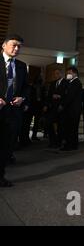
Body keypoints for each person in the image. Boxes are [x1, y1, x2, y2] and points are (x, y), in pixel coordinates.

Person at [0, 35, 28, 187]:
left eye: (19, 46)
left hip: (12, 112)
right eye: (14, 45)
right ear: (4, 45)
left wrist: (22, 98)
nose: (17, 48)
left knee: (6, 146)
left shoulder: (22, 66)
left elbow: (25, 87)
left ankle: (1, 176)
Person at [59, 67, 82, 151]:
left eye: (69, 73)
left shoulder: (76, 82)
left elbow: (70, 96)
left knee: (71, 128)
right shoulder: (71, 82)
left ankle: (70, 145)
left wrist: (63, 105)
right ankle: (73, 145)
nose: (67, 75)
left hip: (73, 110)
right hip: (72, 110)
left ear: (74, 73)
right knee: (72, 128)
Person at [44, 69, 67, 148]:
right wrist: (46, 105)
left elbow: (68, 96)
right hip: (52, 107)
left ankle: (59, 142)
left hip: (61, 108)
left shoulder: (66, 83)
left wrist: (60, 98)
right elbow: (49, 95)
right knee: (49, 123)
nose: (56, 75)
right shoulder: (53, 83)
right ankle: (52, 141)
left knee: (60, 126)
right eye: (55, 74)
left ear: (61, 74)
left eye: (57, 73)